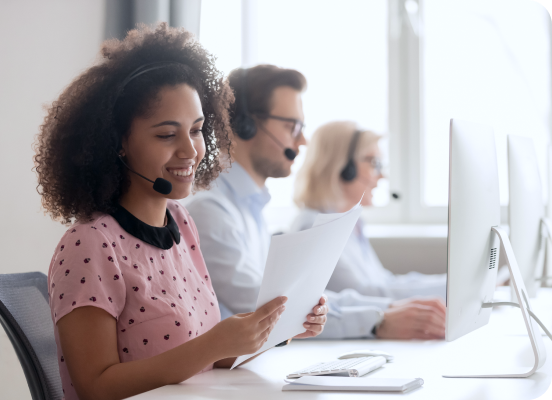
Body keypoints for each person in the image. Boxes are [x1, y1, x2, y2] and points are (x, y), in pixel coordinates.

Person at [34, 24, 327, 400]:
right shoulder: (89, 245)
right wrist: (213, 345)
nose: (191, 151)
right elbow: (96, 386)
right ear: (118, 143)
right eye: (167, 135)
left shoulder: (182, 224)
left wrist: (277, 328)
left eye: (197, 130)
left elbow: (205, 358)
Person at [186, 66, 444, 341]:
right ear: (245, 126)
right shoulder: (211, 211)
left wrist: (383, 311)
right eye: (291, 126)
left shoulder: (250, 210)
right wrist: (375, 320)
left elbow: (298, 299)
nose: (303, 140)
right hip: (226, 375)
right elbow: (265, 309)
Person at [292, 121, 447, 333]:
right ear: (344, 167)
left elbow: (385, 281)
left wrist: (453, 282)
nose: (381, 176)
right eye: (374, 163)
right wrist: (454, 288)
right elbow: (364, 292)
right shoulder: (313, 226)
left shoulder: (350, 222)